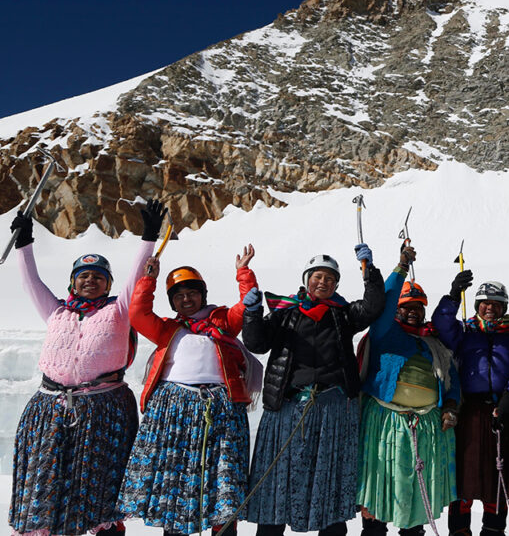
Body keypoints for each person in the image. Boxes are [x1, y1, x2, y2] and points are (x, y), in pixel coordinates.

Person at [8, 199, 165, 536]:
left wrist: (149, 236)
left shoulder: (119, 311)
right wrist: (24, 244)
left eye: (98, 277)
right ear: (72, 283)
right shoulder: (57, 312)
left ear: (109, 285)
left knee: (99, 492)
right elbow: (30, 284)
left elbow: (137, 278)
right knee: (45, 486)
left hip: (104, 410)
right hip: (49, 409)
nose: (90, 281)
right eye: (83, 276)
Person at [241, 243, 384, 536]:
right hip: (288, 406)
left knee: (328, 476)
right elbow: (257, 344)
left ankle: (331, 529)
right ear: (307, 280)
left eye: (330, 279)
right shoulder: (285, 312)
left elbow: (372, 307)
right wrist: (252, 313)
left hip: (332, 407)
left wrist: (369, 272)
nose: (323, 282)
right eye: (318, 277)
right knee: (279, 478)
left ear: (336, 285)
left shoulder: (342, 314)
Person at [119, 246, 264, 536]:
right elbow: (137, 313)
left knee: (223, 477)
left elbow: (245, 307)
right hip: (174, 412)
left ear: (203, 294)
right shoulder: (166, 328)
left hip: (220, 410)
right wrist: (149, 280)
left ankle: (224, 529)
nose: (186, 299)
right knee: (177, 479)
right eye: (179, 295)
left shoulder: (222, 322)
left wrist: (244, 273)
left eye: (192, 293)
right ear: (172, 302)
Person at [358, 252, 462, 536]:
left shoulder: (434, 344)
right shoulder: (384, 334)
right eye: (406, 306)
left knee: (418, 494)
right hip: (386, 424)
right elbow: (386, 301)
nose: (413, 311)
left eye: (418, 306)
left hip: (426, 427)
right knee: (381, 483)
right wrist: (401, 268)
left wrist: (451, 405)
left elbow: (451, 379)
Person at [432, 278, 509, 536]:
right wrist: (453, 295)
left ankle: (493, 530)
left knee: (497, 477)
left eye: (496, 304)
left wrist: (508, 399)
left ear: (504, 308)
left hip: (500, 412)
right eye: (484, 304)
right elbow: (441, 325)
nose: (489, 308)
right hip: (469, 411)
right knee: (464, 476)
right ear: (476, 306)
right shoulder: (465, 332)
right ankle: (459, 530)